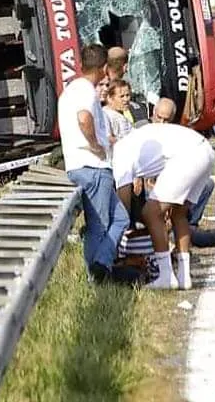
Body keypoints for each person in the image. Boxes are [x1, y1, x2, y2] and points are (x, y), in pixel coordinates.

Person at [57, 43, 141, 285]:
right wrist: (95, 144)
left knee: (121, 219)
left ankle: (102, 264)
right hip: (92, 166)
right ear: (104, 67)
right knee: (99, 226)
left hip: (81, 165)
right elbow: (84, 118)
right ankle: (96, 276)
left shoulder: (71, 89)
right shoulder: (84, 90)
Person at [112, 98, 215, 290]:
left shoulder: (119, 153)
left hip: (188, 155)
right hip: (205, 149)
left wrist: (119, 227)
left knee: (150, 213)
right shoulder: (140, 138)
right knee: (178, 213)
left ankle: (166, 276)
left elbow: (124, 196)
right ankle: (184, 276)